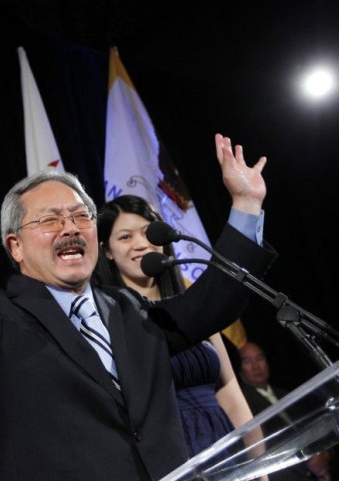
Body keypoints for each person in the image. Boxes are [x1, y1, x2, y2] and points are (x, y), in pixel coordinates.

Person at [0, 76, 276, 480]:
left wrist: (246, 206)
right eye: (50, 220)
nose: (69, 228)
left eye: (79, 217)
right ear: (15, 247)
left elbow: (214, 303)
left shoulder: (132, 311)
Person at [93, 194, 259, 458]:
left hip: (227, 448)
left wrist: (259, 464)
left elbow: (230, 393)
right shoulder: (110, 319)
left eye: (148, 233)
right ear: (107, 251)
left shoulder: (193, 308)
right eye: (125, 237)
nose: (141, 244)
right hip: (172, 456)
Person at [239, 341, 332, 480]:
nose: (256, 366)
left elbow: (314, 426)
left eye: (259, 358)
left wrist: (323, 453)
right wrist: (307, 459)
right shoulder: (244, 406)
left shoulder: (288, 396)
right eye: (247, 361)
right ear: (240, 371)